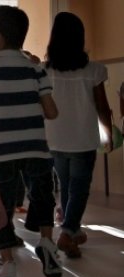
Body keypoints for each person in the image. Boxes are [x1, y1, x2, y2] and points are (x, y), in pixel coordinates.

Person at [0, 5, 61, 277]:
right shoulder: (35, 70)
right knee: (43, 197)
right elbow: (52, 112)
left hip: (0, 152)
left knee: (0, 208)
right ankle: (46, 243)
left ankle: (7, 263)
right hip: (36, 149)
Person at [44, 12, 114, 258]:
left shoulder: (46, 71)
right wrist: (109, 131)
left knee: (66, 186)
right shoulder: (94, 70)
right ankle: (67, 232)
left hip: (54, 137)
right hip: (83, 139)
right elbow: (103, 106)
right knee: (80, 189)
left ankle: (73, 233)